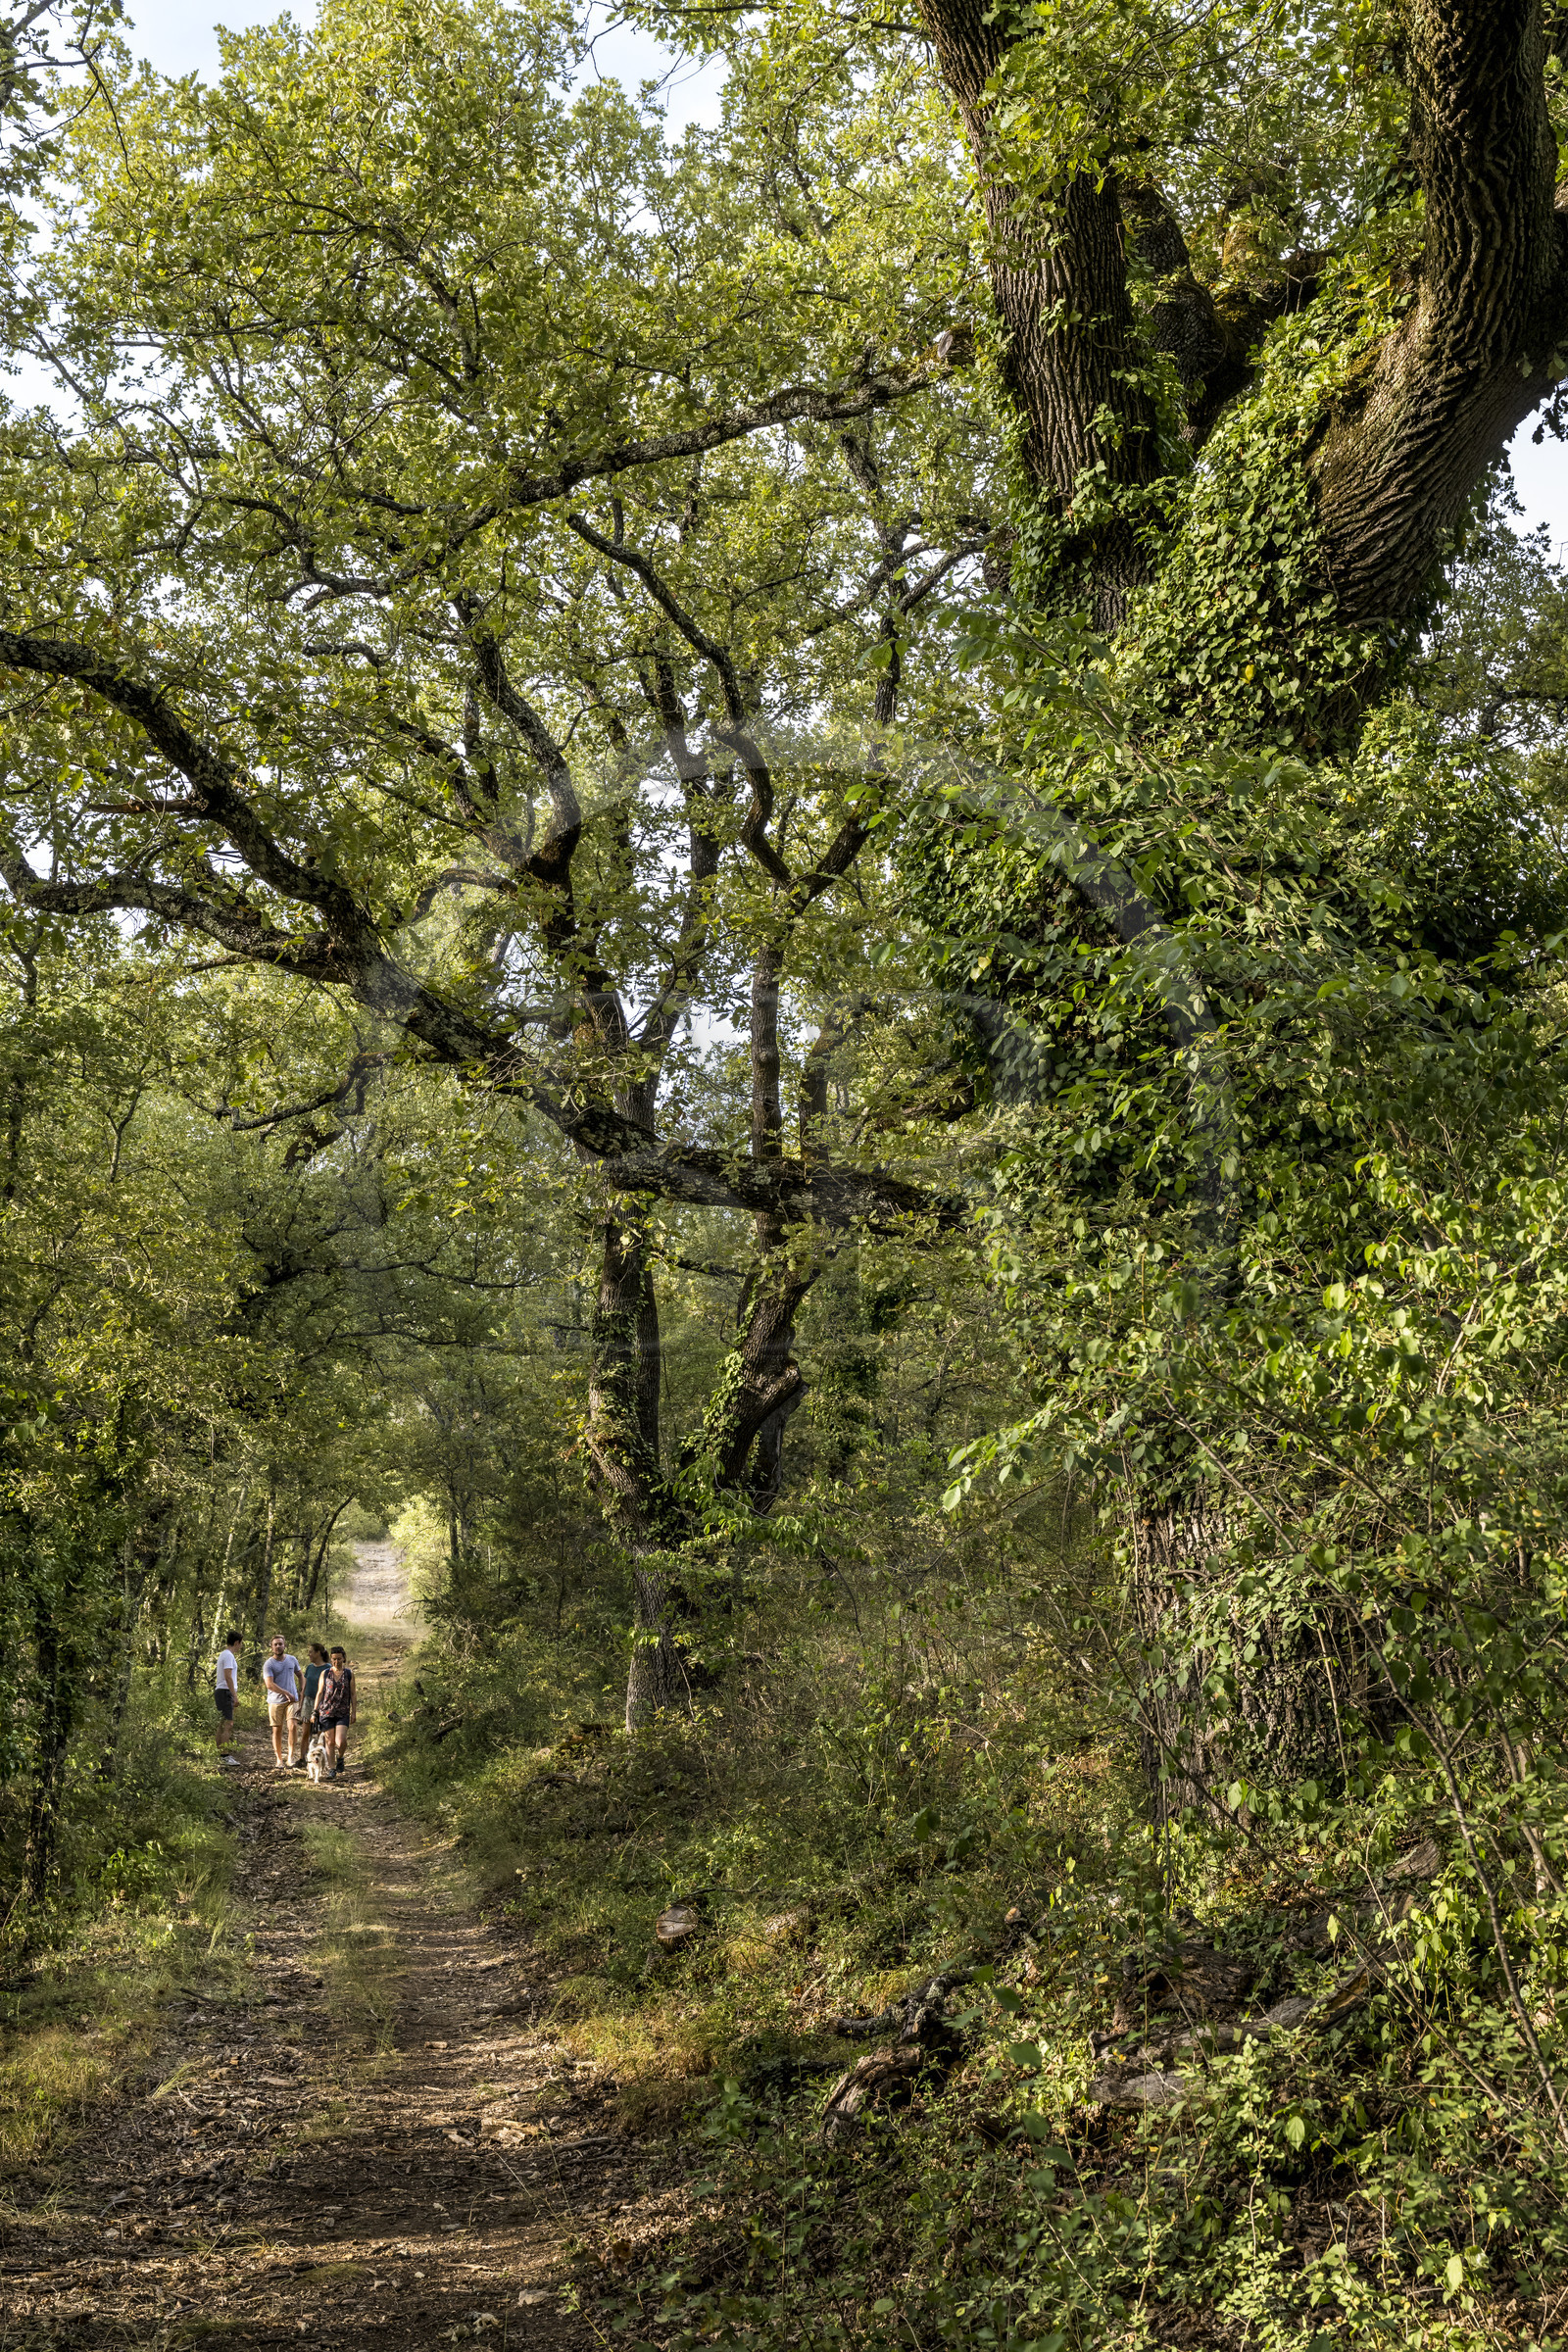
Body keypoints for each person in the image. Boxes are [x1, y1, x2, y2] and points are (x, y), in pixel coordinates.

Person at [311, 1645, 356, 1778]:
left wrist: (354, 1712)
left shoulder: (349, 1674)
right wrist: (315, 1711)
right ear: (331, 1659)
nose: (337, 1662)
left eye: (339, 1659)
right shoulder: (325, 1673)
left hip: (343, 1712)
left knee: (340, 1741)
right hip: (326, 1712)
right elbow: (320, 1693)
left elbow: (353, 1694)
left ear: (344, 1658)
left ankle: (340, 1757)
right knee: (329, 1742)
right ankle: (332, 1768)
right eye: (334, 1659)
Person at [261, 1636, 302, 1770]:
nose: (278, 1646)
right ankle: (279, 1759)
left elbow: (300, 1675)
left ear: (285, 1645)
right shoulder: (269, 1664)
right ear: (272, 1647)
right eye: (276, 1644)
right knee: (277, 1730)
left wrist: (302, 1690)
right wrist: (286, 1693)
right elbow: (269, 1684)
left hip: (292, 1700)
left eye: (280, 1644)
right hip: (275, 1701)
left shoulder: (292, 1659)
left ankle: (291, 1756)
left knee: (293, 1726)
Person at [293, 1642, 329, 1766]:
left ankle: (322, 1759)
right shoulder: (309, 1667)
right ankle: (302, 1758)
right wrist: (301, 1703)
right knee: (305, 1732)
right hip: (308, 1701)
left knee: (321, 1733)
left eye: (311, 1652)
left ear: (318, 1653)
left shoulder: (327, 1668)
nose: (309, 1654)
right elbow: (305, 1686)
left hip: (322, 1702)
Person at [214, 1630, 241, 1764]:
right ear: (236, 1643)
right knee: (228, 1724)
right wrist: (234, 1696)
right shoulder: (228, 1655)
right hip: (225, 1692)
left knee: (222, 1723)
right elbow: (228, 1676)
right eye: (240, 1643)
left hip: (222, 1691)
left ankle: (219, 1753)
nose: (241, 1646)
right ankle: (225, 1755)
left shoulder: (224, 1654)